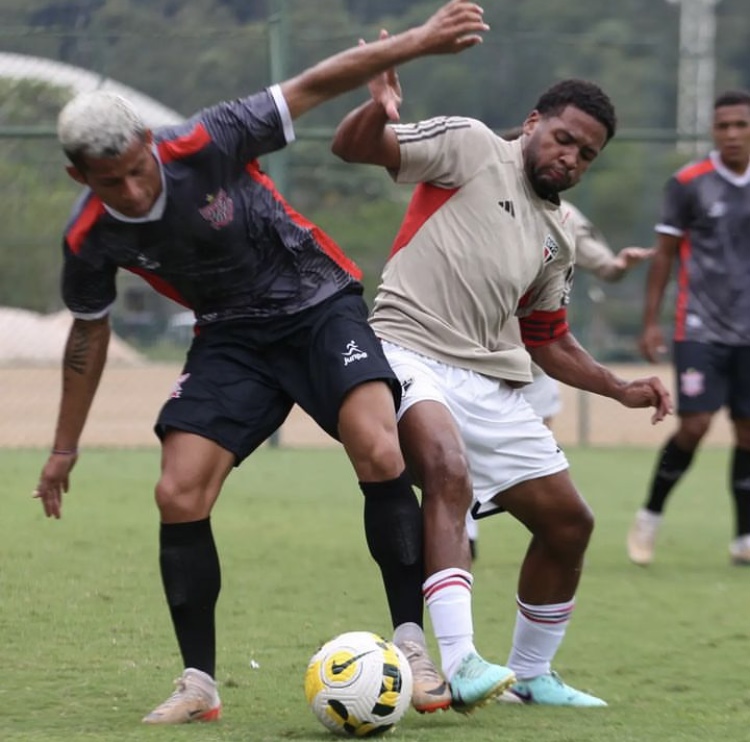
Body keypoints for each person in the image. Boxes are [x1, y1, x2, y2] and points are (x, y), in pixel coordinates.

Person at [31, 0, 493, 724]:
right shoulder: (89, 239)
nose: (130, 190)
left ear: (149, 142)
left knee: (377, 447)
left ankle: (411, 646)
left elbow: (315, 82)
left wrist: (422, 41)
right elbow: (87, 336)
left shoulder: (205, 140)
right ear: (75, 174)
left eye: (133, 171)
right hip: (230, 338)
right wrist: (64, 446)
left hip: (316, 303)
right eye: (108, 182)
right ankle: (199, 684)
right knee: (178, 493)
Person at [332, 68, 672, 707]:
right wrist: (376, 109)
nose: (570, 159)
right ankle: (460, 662)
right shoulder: (471, 145)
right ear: (535, 122)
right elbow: (354, 148)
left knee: (569, 523)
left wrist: (620, 388)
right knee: (447, 471)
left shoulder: (558, 237)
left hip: (487, 379)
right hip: (406, 348)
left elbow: (547, 339)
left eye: (587, 155)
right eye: (564, 139)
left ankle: (532, 676)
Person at [466, 198, 654, 558]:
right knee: (454, 450)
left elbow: (595, 257)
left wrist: (617, 266)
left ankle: (544, 526)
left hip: (535, 358)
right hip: (476, 355)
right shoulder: (479, 193)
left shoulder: (561, 214)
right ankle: (464, 530)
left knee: (538, 450)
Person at [626, 89, 750, 568]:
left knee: (746, 432)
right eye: (724, 126)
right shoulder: (688, 183)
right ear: (713, 131)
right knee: (695, 425)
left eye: (741, 124)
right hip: (699, 327)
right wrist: (650, 321)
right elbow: (664, 256)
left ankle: (743, 538)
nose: (733, 134)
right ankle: (649, 517)